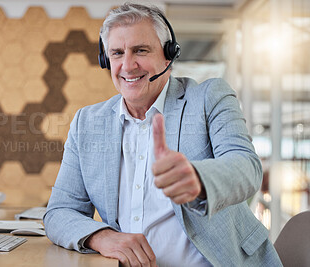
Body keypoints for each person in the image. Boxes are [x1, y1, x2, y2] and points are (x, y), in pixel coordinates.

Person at [43, 3, 282, 267]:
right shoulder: (87, 122)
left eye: (140, 50)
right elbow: (59, 212)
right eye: (117, 53)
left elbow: (246, 168)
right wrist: (103, 237)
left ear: (169, 55)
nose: (127, 65)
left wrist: (199, 180)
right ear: (105, 60)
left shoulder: (208, 98)